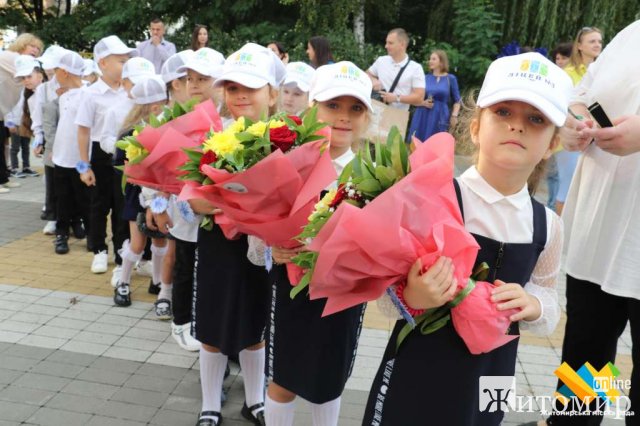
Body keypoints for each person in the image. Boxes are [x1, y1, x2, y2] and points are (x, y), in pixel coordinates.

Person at [362, 52, 571, 425]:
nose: (517, 127)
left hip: (495, 371)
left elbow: (548, 297)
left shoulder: (548, 224)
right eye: (503, 112)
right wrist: (412, 296)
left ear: (553, 143)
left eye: (536, 119)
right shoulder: (435, 196)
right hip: (420, 360)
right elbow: (385, 296)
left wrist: (533, 304)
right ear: (475, 127)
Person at [545, 19, 640, 426]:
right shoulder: (631, 34)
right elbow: (581, 96)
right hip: (597, 236)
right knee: (585, 365)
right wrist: (572, 122)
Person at [265, 61, 370, 426]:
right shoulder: (288, 163)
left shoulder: (375, 178)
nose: (343, 117)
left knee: (329, 383)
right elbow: (262, 222)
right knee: (282, 380)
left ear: (367, 118)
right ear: (312, 108)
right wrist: (273, 249)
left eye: (355, 108)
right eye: (332, 106)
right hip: (291, 286)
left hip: (343, 295)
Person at [187, 43, 284, 426]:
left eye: (251, 87)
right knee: (211, 324)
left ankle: (255, 400)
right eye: (231, 87)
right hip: (217, 243)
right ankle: (210, 404)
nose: (240, 95)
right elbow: (188, 193)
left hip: (261, 249)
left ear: (273, 94)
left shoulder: (287, 139)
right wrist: (198, 203)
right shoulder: (210, 134)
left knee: (255, 324)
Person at [75, 35, 134, 274]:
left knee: (122, 205)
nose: (125, 65)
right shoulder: (91, 94)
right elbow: (82, 131)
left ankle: (121, 253)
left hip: (124, 152)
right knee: (99, 204)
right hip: (100, 153)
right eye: (121, 61)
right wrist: (84, 166)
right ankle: (98, 249)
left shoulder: (130, 92)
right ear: (102, 63)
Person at [112, 76, 169, 307]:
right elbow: (120, 164)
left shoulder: (166, 128)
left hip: (160, 195)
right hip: (137, 195)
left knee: (160, 241)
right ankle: (123, 281)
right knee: (137, 242)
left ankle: (156, 280)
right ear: (156, 106)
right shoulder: (130, 133)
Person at [555, 26, 602, 215]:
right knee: (567, 186)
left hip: (594, 137)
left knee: (585, 190)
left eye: (599, 41)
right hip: (572, 135)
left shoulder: (602, 71)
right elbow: (563, 104)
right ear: (580, 46)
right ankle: (559, 232)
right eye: (592, 41)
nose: (597, 44)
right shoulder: (568, 73)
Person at [50, 50, 90, 255]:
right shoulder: (63, 95)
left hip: (80, 159)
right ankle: (61, 232)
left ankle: (88, 230)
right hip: (61, 156)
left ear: (64, 72)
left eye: (56, 69)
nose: (54, 73)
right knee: (62, 196)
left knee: (83, 196)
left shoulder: (87, 95)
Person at [31, 45, 68, 235]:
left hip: (72, 138)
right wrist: (38, 138)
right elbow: (38, 115)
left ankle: (75, 218)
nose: (49, 70)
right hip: (51, 139)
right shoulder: (44, 88)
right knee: (52, 181)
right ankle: (53, 217)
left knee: (73, 181)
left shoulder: (75, 84)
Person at [0, 33, 43, 193]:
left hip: (2, 111)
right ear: (22, 44)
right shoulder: (11, 57)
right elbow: (30, 75)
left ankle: (3, 179)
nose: (36, 50)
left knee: (1, 145)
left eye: (38, 48)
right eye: (32, 46)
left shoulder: (22, 61)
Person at [5, 55, 47, 177]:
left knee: (24, 147)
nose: (26, 80)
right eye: (23, 78)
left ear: (40, 75)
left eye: (29, 76)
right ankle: (15, 168)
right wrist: (39, 139)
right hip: (20, 124)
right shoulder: (31, 97)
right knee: (16, 147)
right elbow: (37, 121)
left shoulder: (49, 92)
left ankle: (26, 167)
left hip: (56, 140)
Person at [407, 49, 461, 142]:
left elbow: (457, 100)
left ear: (441, 62)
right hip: (423, 115)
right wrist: (423, 103)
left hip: (440, 116)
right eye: (430, 59)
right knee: (418, 145)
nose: (430, 61)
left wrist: (454, 116)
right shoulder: (425, 78)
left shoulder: (450, 79)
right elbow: (413, 98)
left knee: (437, 145)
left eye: (433, 59)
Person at [366, 28, 425, 111]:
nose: (386, 46)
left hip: (397, 117)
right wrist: (373, 80)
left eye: (390, 43)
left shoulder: (416, 68)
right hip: (375, 111)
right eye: (386, 42)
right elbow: (366, 74)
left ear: (402, 45)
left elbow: (419, 98)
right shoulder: (381, 60)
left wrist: (396, 98)